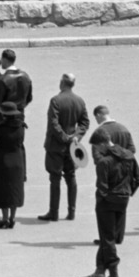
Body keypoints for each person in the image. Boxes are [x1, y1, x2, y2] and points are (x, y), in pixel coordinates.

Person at [81, 105, 139, 277]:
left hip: (107, 202)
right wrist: (128, 191)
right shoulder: (129, 156)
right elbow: (138, 178)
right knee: (109, 238)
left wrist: (104, 197)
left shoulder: (104, 162)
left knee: (107, 239)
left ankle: (113, 273)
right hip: (123, 199)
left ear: (101, 144)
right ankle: (99, 272)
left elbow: (102, 186)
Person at [40, 73, 88, 221]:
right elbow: (84, 123)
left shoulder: (56, 100)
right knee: (71, 177)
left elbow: (53, 123)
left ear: (62, 83)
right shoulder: (79, 101)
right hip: (72, 147)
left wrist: (64, 137)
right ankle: (71, 211)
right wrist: (76, 136)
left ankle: (53, 212)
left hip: (56, 146)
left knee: (55, 179)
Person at [0, 99, 27, 228]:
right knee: (14, 189)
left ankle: (4, 219)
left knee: (3, 190)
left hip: (2, 160)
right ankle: (12, 218)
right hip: (17, 159)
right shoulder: (22, 127)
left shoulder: (0, 128)